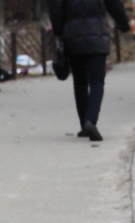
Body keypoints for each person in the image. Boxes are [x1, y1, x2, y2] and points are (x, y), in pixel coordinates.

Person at [48, 0, 130, 141]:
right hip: (97, 35)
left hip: (73, 36)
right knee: (97, 81)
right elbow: (114, 4)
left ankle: (84, 124)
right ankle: (90, 121)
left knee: (80, 82)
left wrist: (60, 31)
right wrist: (123, 24)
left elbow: (55, 8)